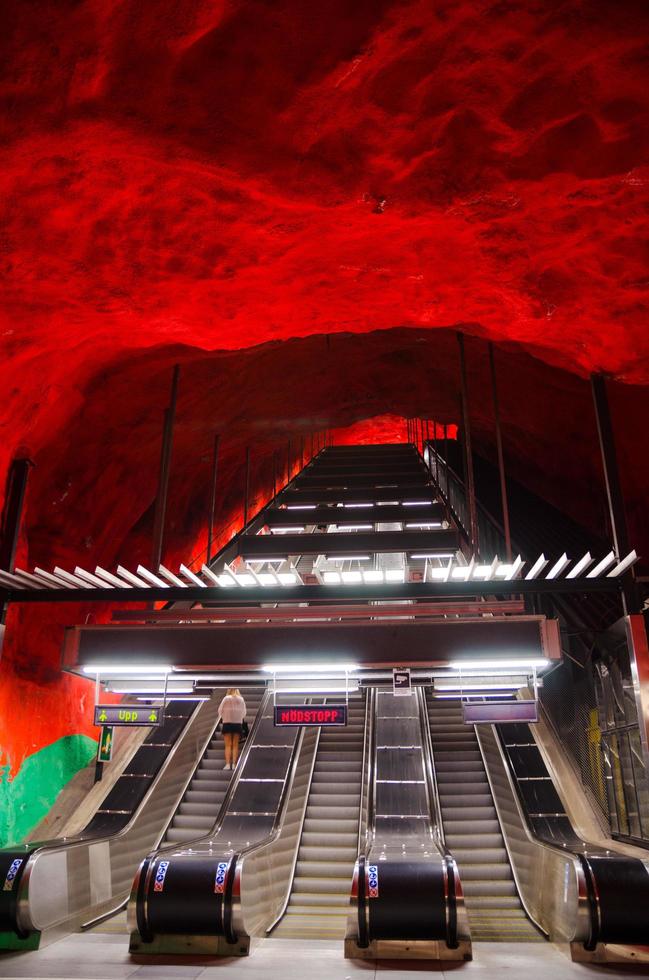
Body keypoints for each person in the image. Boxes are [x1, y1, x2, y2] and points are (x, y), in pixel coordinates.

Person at [218, 688, 247, 770]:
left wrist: (225, 717)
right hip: (237, 724)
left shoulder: (226, 698)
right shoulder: (241, 699)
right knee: (235, 745)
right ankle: (234, 764)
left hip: (227, 723)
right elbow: (244, 712)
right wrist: (238, 718)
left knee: (228, 745)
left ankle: (227, 764)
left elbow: (220, 710)